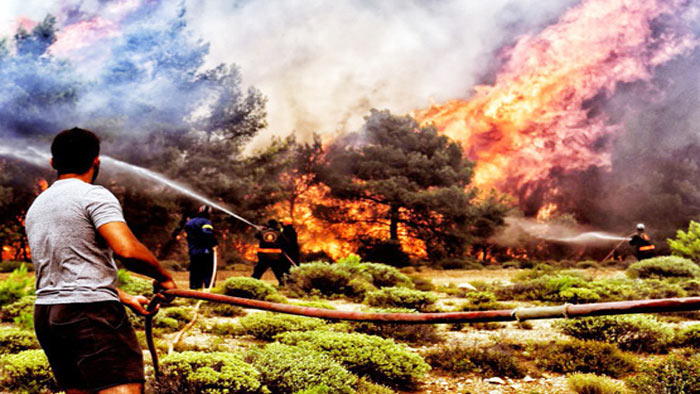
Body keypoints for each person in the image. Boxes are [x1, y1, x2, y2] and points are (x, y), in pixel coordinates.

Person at [25, 127, 176, 394]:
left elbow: (68, 270)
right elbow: (127, 250)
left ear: (53, 163)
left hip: (48, 316)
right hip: (90, 314)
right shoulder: (93, 195)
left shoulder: (39, 205)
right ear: (96, 161)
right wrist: (163, 278)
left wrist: (124, 296)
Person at [185, 205, 219, 289]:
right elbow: (207, 233)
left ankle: (194, 290)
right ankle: (209, 290)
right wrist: (214, 244)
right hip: (205, 251)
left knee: (195, 272)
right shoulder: (206, 222)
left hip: (193, 251)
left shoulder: (190, 222)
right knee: (208, 272)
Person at [251, 219, 289, 284]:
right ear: (276, 225)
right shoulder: (279, 233)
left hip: (263, 256)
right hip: (275, 257)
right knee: (278, 272)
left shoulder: (262, 232)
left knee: (258, 272)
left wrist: (259, 230)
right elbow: (286, 242)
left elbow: (256, 236)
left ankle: (252, 283)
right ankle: (282, 284)